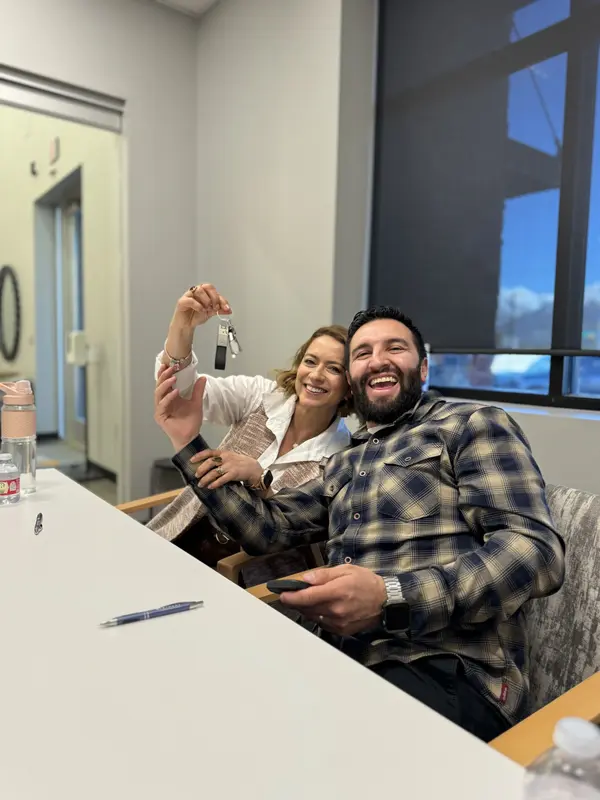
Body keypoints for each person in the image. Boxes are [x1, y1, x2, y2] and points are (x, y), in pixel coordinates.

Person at [163, 304, 566, 742]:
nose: (377, 360)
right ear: (354, 383)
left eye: (395, 348)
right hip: (335, 657)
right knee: (207, 705)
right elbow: (268, 529)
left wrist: (392, 596)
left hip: (443, 667)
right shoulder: (343, 462)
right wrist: (188, 441)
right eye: (362, 353)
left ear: (423, 368)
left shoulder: (469, 425)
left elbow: (535, 553)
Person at [149, 284, 352, 582]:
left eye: (333, 369)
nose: (316, 375)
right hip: (181, 533)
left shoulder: (341, 460)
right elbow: (184, 393)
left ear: (350, 387)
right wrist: (182, 326)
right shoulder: (262, 397)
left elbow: (276, 531)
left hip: (241, 575)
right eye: (310, 361)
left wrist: (259, 478)